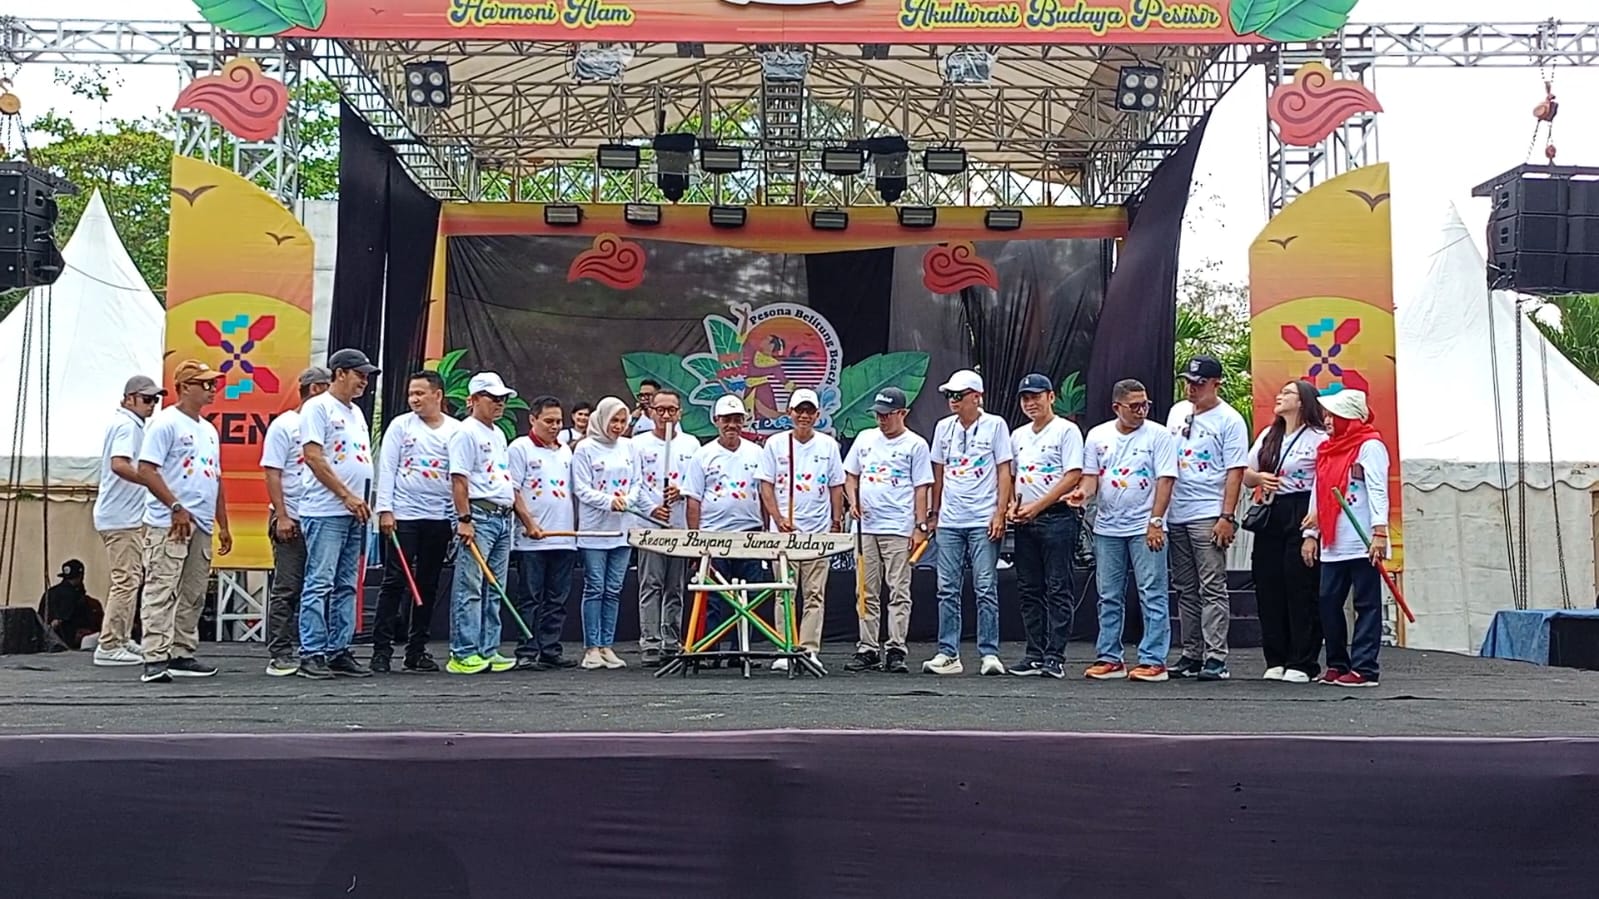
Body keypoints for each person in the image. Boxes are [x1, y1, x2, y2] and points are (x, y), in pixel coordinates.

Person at [1069, 378, 1178, 683]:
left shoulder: (1159, 435)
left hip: (1144, 526)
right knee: (1108, 594)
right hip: (1108, 527)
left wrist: (1156, 522)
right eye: (1134, 406)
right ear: (1117, 407)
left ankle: (1153, 660)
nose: (1141, 411)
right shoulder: (1098, 435)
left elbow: (1166, 480)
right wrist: (1082, 494)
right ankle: (1109, 657)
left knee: (1152, 592)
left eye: (1145, 405)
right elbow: (1091, 477)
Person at [136, 360, 232, 683]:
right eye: (205, 384)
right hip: (169, 521)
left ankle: (181, 652)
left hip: (201, 522)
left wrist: (223, 523)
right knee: (162, 587)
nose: (212, 389)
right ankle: (154, 656)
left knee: (194, 592)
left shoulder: (209, 430)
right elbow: (146, 469)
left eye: (213, 384)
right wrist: (174, 505)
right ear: (184, 387)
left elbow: (215, 478)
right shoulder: (165, 423)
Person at [1165, 355, 1250, 681]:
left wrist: (1227, 516)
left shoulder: (1230, 420)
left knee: (1212, 585)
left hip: (1208, 511)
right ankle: (1191, 653)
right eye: (1188, 382)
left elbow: (1235, 471)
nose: (1191, 389)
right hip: (1177, 510)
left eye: (1199, 384)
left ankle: (1216, 657)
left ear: (1216, 384)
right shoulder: (1177, 412)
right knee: (1185, 587)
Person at [924, 369, 1014, 676]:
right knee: (946, 588)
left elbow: (1004, 470)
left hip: (982, 518)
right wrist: (934, 513)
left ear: (977, 397)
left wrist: (1000, 512)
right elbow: (938, 473)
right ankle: (948, 653)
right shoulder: (943, 427)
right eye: (949, 395)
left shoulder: (995, 425)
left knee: (985, 586)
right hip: (950, 520)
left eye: (958, 395)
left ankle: (989, 653)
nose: (953, 400)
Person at [296, 348, 379, 680]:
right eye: (360, 374)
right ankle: (312, 651)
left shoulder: (356, 412)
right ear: (340, 373)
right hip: (326, 509)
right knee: (320, 581)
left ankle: (339, 649)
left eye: (367, 376)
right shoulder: (318, 407)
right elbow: (313, 457)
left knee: (347, 584)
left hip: (355, 510)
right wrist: (345, 494)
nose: (364, 381)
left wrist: (360, 499)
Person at [371, 371, 459, 673]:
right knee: (395, 581)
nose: (414, 399)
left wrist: (456, 517)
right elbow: (387, 468)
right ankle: (381, 650)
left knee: (428, 584)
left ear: (438, 395)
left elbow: (458, 476)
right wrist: (385, 510)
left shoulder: (455, 430)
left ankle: (417, 650)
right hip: (404, 516)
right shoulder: (401, 426)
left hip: (439, 517)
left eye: (420, 393)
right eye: (411, 394)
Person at [1302, 388, 1389, 688]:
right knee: (1328, 601)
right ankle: (1337, 662)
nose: (1327, 420)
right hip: (1333, 540)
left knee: (1366, 604)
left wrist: (1379, 532)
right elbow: (1318, 492)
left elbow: (1377, 488)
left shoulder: (1370, 446)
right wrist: (1310, 533)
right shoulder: (1327, 449)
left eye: (1333, 415)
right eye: (1326, 415)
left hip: (1362, 539)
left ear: (1349, 418)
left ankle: (1365, 667)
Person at [842, 387, 933, 674]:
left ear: (902, 413)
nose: (881, 420)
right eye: (878, 414)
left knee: (898, 589)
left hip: (898, 526)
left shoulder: (915, 444)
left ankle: (896, 648)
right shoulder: (865, 438)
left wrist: (920, 526)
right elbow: (850, 475)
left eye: (887, 414)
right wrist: (853, 501)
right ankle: (868, 647)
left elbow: (921, 488)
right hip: (866, 527)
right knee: (865, 589)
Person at [447, 372, 532, 675]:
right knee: (471, 585)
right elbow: (459, 479)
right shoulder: (465, 432)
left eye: (502, 399)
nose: (499, 404)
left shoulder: (497, 434)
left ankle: (488, 648)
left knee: (495, 586)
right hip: (479, 515)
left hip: (501, 516)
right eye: (493, 398)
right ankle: (463, 652)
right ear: (473, 400)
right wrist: (464, 519)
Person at [1246, 380, 1328, 684]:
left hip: (1303, 508)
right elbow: (1246, 473)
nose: (1280, 397)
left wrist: (1313, 531)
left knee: (1300, 585)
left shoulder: (1319, 438)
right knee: (1268, 584)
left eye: (1288, 393)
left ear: (1303, 401)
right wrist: (1260, 478)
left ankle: (1303, 661)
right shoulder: (1270, 434)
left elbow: (1323, 482)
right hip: (1272, 510)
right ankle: (1275, 658)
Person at [758, 388, 845, 672]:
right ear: (789, 413)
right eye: (799, 410)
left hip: (817, 533)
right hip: (784, 535)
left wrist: (835, 522)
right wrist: (778, 518)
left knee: (814, 594)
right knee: (784, 592)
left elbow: (836, 486)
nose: (804, 416)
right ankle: (785, 648)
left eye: (809, 411)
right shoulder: (775, 444)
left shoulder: (828, 445)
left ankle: (808, 649)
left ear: (817, 415)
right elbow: (766, 485)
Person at [1006, 373, 1085, 680]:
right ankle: (1034, 653)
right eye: (1025, 398)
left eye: (1036, 397)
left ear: (1051, 397)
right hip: (1025, 520)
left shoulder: (1066, 430)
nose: (1031, 403)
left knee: (1058, 587)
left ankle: (1055, 656)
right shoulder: (1018, 435)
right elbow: (1012, 476)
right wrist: (1012, 505)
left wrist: (1038, 506)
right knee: (1029, 589)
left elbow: (1072, 475)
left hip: (1058, 517)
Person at [684, 395, 768, 664]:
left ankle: (742, 651)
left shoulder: (757, 453)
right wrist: (695, 542)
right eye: (726, 419)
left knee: (749, 595)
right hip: (713, 536)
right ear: (716, 421)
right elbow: (693, 500)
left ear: (744, 421)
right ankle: (710, 651)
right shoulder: (702, 455)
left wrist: (767, 532)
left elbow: (765, 494)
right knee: (714, 597)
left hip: (750, 534)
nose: (732, 425)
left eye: (737, 419)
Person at [259, 366, 331, 677]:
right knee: (288, 585)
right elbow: (272, 472)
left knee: (319, 586)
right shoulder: (286, 425)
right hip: (293, 516)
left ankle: (313, 648)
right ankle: (280, 651)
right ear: (315, 389)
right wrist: (282, 515)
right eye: (329, 387)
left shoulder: (330, 424)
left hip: (323, 516)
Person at [89, 374, 163, 666]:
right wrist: (150, 481)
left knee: (130, 578)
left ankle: (120, 637)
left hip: (121, 515)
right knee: (127, 580)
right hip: (121, 517)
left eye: (155, 399)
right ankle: (109, 644)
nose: (152, 404)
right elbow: (119, 464)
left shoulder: (128, 424)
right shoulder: (127, 426)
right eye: (147, 399)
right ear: (129, 399)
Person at [573, 396, 644, 670]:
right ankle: (591, 647)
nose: (618, 426)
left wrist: (628, 500)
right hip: (594, 530)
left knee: (614, 589)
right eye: (614, 420)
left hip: (622, 529)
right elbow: (581, 488)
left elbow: (637, 482)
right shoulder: (585, 448)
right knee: (595, 587)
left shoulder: (629, 446)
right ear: (602, 419)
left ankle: (607, 645)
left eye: (623, 421)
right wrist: (608, 501)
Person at [631, 388, 701, 667]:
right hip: (650, 526)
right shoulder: (638, 444)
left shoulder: (691, 444)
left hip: (679, 525)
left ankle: (671, 641)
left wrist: (681, 491)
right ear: (651, 412)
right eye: (660, 410)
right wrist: (651, 508)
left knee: (675, 586)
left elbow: (696, 484)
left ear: (679, 412)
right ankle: (650, 642)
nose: (666, 415)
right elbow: (634, 484)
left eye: (671, 410)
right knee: (651, 584)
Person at [508, 396, 579, 670]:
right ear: (533, 419)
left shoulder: (565, 452)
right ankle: (526, 651)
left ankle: (550, 649)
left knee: (557, 599)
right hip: (532, 540)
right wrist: (529, 524)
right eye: (549, 421)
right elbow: (513, 491)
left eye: (558, 421)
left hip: (564, 536)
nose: (555, 426)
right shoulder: (520, 448)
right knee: (530, 598)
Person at [41, 560, 103, 650]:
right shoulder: (77, 597)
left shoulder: (49, 593)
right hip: (72, 645)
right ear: (81, 577)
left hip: (49, 644)